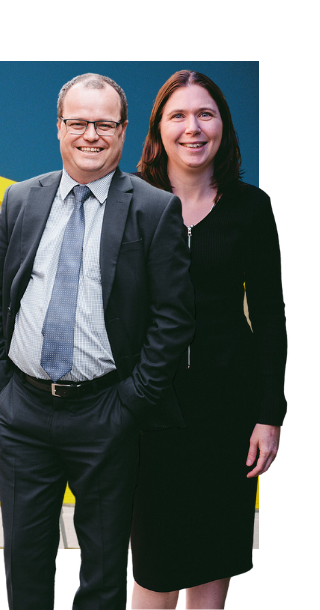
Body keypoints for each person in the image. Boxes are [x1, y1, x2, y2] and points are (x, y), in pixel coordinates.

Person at [0, 73, 196, 610]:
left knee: (102, 569)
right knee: (25, 560)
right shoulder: (21, 200)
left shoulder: (153, 208)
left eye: (104, 124)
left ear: (122, 132)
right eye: (78, 122)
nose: (90, 135)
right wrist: (1, 380)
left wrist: (131, 404)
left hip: (107, 413)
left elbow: (174, 318)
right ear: (59, 128)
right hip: (23, 410)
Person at [130, 70, 286, 610]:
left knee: (213, 561)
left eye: (205, 113)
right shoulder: (130, 205)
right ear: (159, 130)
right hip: (153, 411)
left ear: (222, 125)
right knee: (154, 567)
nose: (192, 127)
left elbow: (269, 313)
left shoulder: (251, 207)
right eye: (178, 115)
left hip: (229, 412)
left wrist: (270, 413)